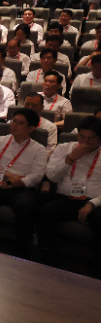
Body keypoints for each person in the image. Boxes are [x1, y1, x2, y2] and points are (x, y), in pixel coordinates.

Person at [0, 108, 47, 257]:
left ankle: (20, 250)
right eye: (14, 121)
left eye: (20, 123)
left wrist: (15, 182)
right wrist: (7, 176)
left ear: (31, 128)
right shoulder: (0, 140)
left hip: (22, 187)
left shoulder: (39, 149)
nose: (14, 125)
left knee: (25, 206)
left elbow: (38, 175)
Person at [39, 116, 101, 276]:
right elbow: (51, 176)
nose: (85, 142)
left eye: (91, 138)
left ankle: (95, 270)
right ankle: (44, 260)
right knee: (48, 211)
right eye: (82, 137)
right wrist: (70, 158)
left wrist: (92, 204)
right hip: (66, 198)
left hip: (93, 202)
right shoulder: (64, 148)